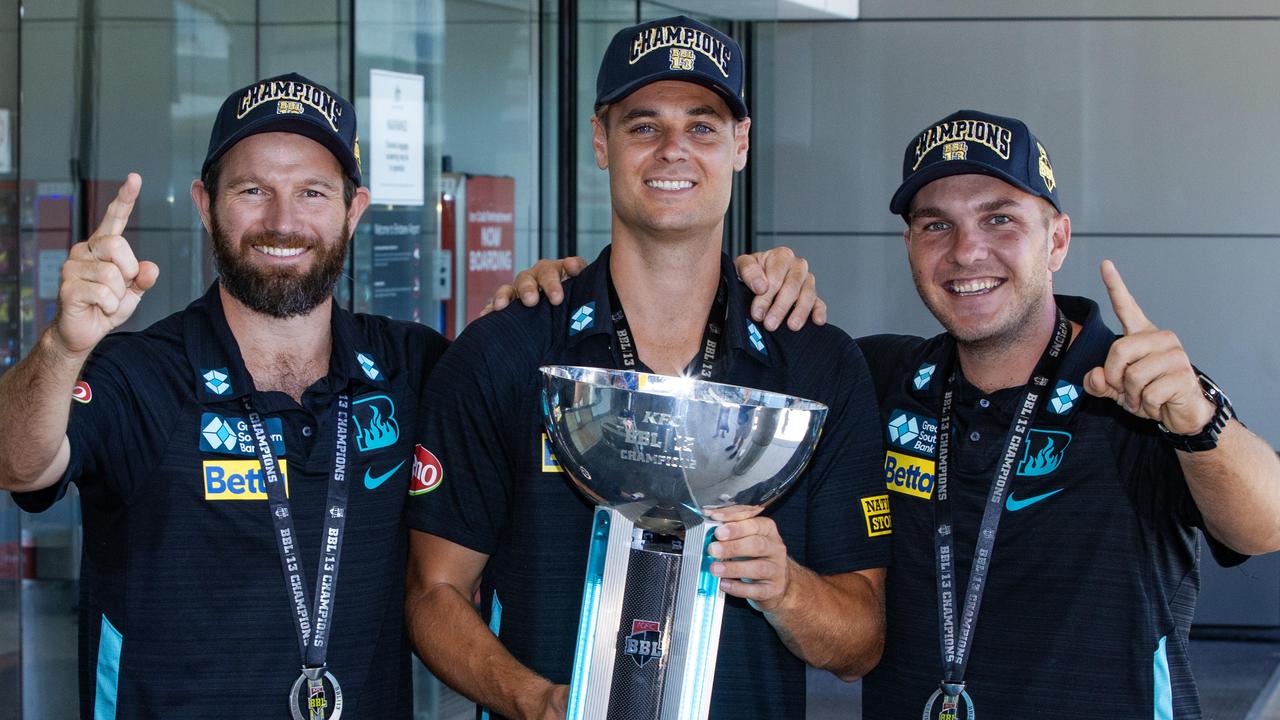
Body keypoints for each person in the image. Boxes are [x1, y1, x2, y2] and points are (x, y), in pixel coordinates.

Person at [0, 72, 819, 719]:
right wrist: (65, 342)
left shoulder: (414, 366)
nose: (283, 219)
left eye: (313, 192)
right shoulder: (142, 373)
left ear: (354, 210)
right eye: (252, 190)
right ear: (206, 204)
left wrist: (565, 290)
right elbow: (18, 459)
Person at [404, 15, 889, 720]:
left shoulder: (816, 362)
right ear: (600, 140)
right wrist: (538, 704)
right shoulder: (507, 350)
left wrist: (784, 587)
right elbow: (431, 594)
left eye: (702, 126)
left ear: (740, 145)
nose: (672, 151)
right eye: (642, 126)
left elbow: (862, 642)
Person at [854, 109, 1280, 719]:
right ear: (910, 247)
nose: (966, 251)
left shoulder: (1137, 384)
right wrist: (760, 282)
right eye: (935, 225)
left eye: (1000, 219)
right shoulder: (880, 378)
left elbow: (1265, 528)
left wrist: (1195, 418)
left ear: (1056, 241)